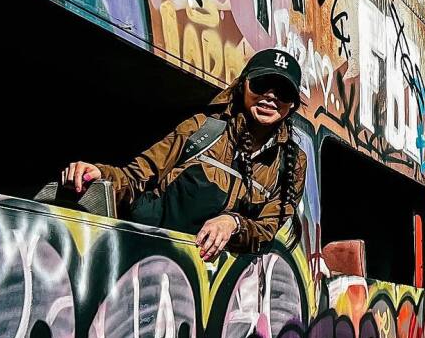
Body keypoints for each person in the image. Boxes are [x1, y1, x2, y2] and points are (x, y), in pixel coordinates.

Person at [63, 48, 307, 261]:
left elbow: (267, 229)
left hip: (215, 289)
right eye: (262, 85)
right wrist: (99, 173)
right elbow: (136, 175)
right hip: (147, 258)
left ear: (293, 104)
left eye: (283, 92)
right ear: (243, 85)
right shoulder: (201, 127)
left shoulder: (293, 164)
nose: (271, 97)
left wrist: (233, 223)